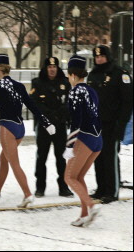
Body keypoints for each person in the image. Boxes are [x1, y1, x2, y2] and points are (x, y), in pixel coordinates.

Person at [0, 54, 56, 207]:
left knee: (14, 163)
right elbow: (32, 106)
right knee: (3, 159)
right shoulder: (19, 86)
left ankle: (27, 194)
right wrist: (46, 123)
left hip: (7, 127)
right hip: (20, 128)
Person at [87, 45, 133, 204]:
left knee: (110, 157)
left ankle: (111, 191)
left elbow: (127, 102)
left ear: (108, 56)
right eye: (97, 57)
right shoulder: (93, 75)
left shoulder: (120, 74)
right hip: (96, 123)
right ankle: (101, 189)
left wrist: (121, 125)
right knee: (97, 157)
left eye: (102, 56)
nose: (99, 59)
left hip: (113, 123)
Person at [63, 55, 102, 227]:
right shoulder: (92, 90)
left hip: (84, 138)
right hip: (97, 139)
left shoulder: (75, 91)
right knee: (78, 177)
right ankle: (84, 214)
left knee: (69, 177)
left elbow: (76, 121)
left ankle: (91, 206)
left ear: (72, 75)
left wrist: (69, 145)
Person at [30, 57, 74, 198]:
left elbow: (69, 102)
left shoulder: (65, 82)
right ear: (46, 68)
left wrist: (59, 115)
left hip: (60, 125)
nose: (52, 69)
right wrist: (49, 116)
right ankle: (40, 188)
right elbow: (35, 103)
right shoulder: (37, 83)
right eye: (49, 67)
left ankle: (63, 187)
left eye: (54, 67)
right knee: (41, 157)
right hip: (44, 126)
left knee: (61, 158)